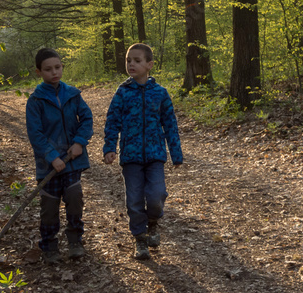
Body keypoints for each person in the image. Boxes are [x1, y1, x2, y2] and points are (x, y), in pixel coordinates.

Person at [103, 42, 184, 260]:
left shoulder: (160, 93)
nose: (131, 64)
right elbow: (112, 121)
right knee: (134, 200)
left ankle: (153, 222)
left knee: (156, 196)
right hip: (130, 157)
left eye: (137, 61)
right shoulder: (122, 93)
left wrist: (176, 154)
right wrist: (110, 147)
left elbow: (170, 124)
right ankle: (140, 239)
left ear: (149, 65)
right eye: (128, 60)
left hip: (155, 155)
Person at [25, 47, 94, 264]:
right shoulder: (35, 101)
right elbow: (35, 134)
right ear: (39, 72)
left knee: (74, 199)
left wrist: (79, 143)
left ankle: (75, 240)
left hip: (72, 162)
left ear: (62, 67)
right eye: (48, 69)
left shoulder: (72, 94)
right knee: (49, 208)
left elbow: (87, 119)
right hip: (48, 166)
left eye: (57, 67)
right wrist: (52, 156)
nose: (54, 72)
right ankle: (49, 246)